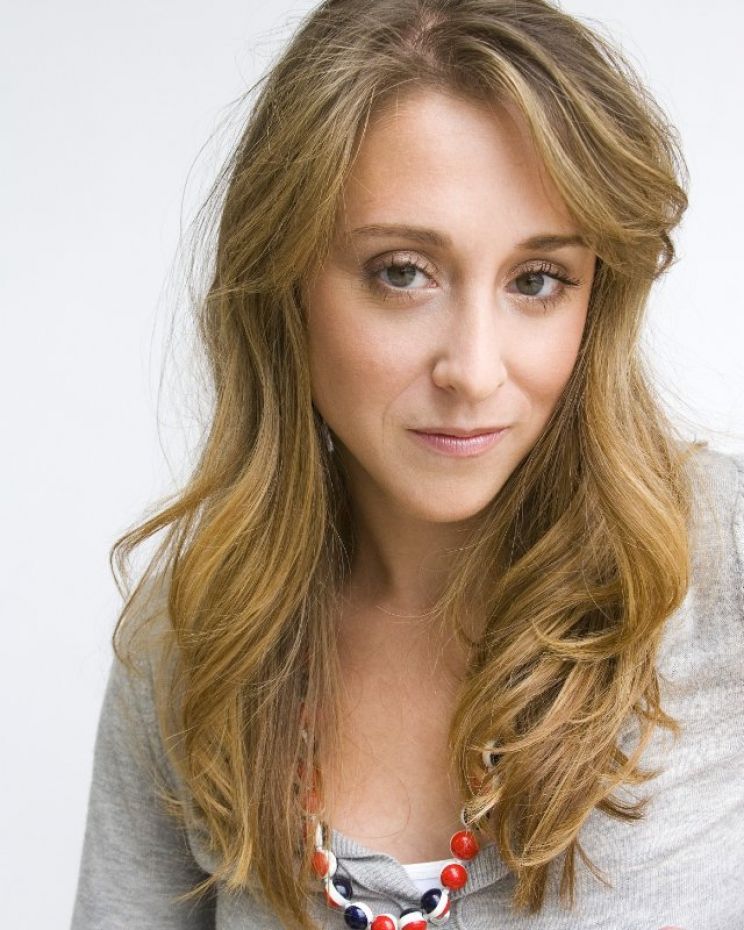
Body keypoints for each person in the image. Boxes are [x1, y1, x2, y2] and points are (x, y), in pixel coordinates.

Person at [70, 1, 744, 928]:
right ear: (283, 281)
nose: (474, 370)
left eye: (536, 281)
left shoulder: (723, 570)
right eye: (402, 272)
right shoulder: (195, 639)